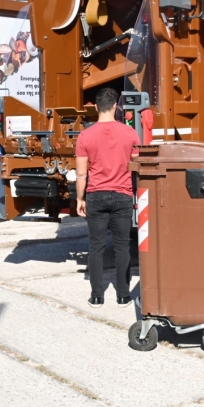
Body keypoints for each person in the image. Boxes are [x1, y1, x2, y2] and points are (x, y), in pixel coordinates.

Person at [75, 87, 140, 308]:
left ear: (95, 107)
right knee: (122, 246)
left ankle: (96, 296)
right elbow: (137, 165)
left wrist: (79, 199)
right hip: (122, 195)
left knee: (96, 247)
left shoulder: (85, 136)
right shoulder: (130, 133)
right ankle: (123, 295)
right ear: (116, 106)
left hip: (96, 196)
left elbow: (82, 173)